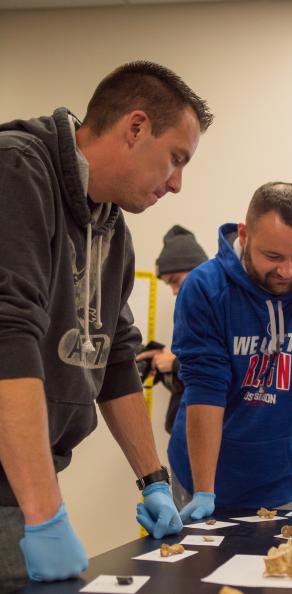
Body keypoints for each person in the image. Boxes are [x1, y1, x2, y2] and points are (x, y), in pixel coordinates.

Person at [0, 61, 213, 589]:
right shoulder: (17, 172)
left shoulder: (110, 226)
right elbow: (8, 338)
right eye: (175, 160)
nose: (178, 184)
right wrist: (46, 516)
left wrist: (154, 481)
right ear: (135, 128)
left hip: (20, 480)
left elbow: (117, 353)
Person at [168, 181, 292, 520]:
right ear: (245, 235)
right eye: (273, 256)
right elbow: (205, 387)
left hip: (281, 481)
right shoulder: (204, 288)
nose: (287, 271)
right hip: (199, 476)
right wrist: (204, 490)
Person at [136, 225, 208, 433]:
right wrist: (162, 360)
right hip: (183, 435)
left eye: (176, 281)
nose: (175, 291)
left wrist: (175, 363)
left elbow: (221, 372)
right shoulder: (191, 311)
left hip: (201, 439)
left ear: (200, 270)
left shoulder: (222, 310)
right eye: (169, 285)